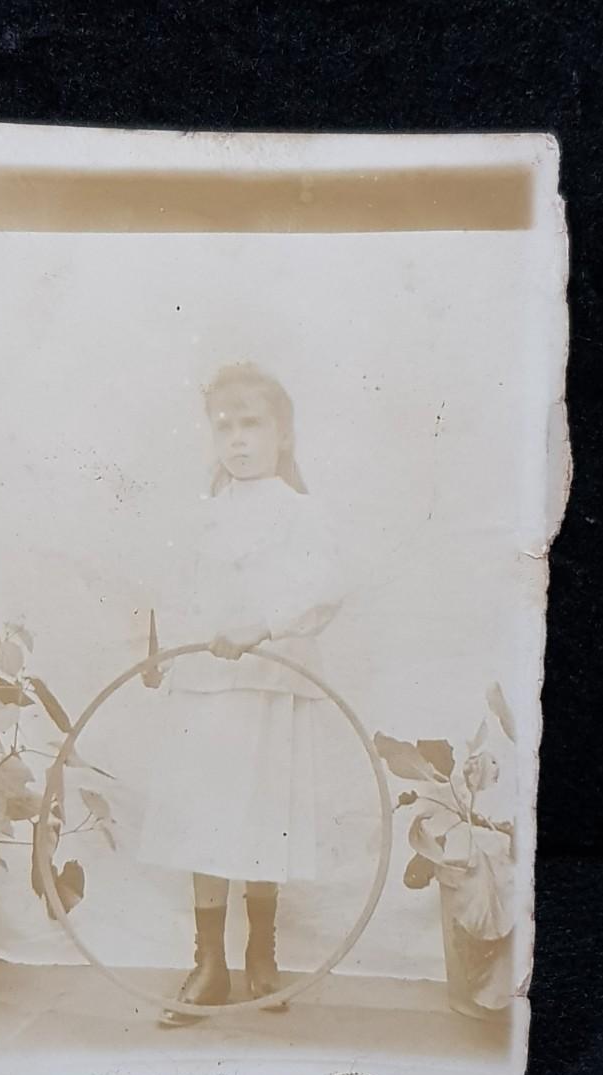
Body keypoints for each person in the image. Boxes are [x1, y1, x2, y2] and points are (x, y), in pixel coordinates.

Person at [137, 362, 344, 1027]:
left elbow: (323, 587)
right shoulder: (203, 516)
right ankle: (209, 963)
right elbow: (174, 586)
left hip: (265, 686)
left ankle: (261, 952)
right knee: (204, 820)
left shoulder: (300, 513)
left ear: (283, 434)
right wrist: (158, 646)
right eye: (224, 427)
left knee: (259, 818)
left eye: (251, 424)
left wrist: (262, 624)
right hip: (204, 688)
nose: (237, 439)